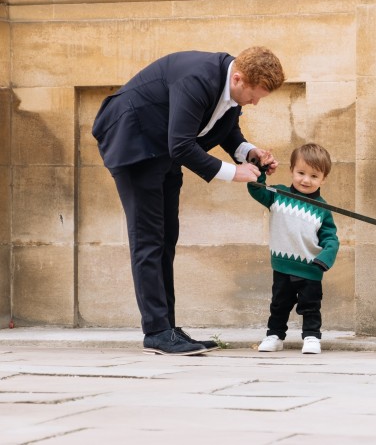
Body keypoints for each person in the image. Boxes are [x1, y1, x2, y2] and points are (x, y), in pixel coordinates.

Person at [92, 47, 285, 355]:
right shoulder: (198, 79)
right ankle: (156, 331)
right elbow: (182, 145)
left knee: (166, 237)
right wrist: (233, 173)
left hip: (164, 152)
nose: (255, 102)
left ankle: (166, 326)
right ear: (238, 78)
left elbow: (227, 129)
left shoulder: (229, 88)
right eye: (254, 95)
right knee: (148, 240)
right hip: (134, 144)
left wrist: (250, 153)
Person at [247, 143, 339, 355]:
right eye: (301, 173)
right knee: (279, 304)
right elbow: (256, 189)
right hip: (282, 266)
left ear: (323, 179)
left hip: (311, 268)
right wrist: (260, 170)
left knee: (310, 306)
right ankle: (275, 335)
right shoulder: (278, 195)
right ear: (291, 170)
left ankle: (312, 337)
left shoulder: (322, 209)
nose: (306, 180)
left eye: (314, 176)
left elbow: (331, 239)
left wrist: (325, 259)